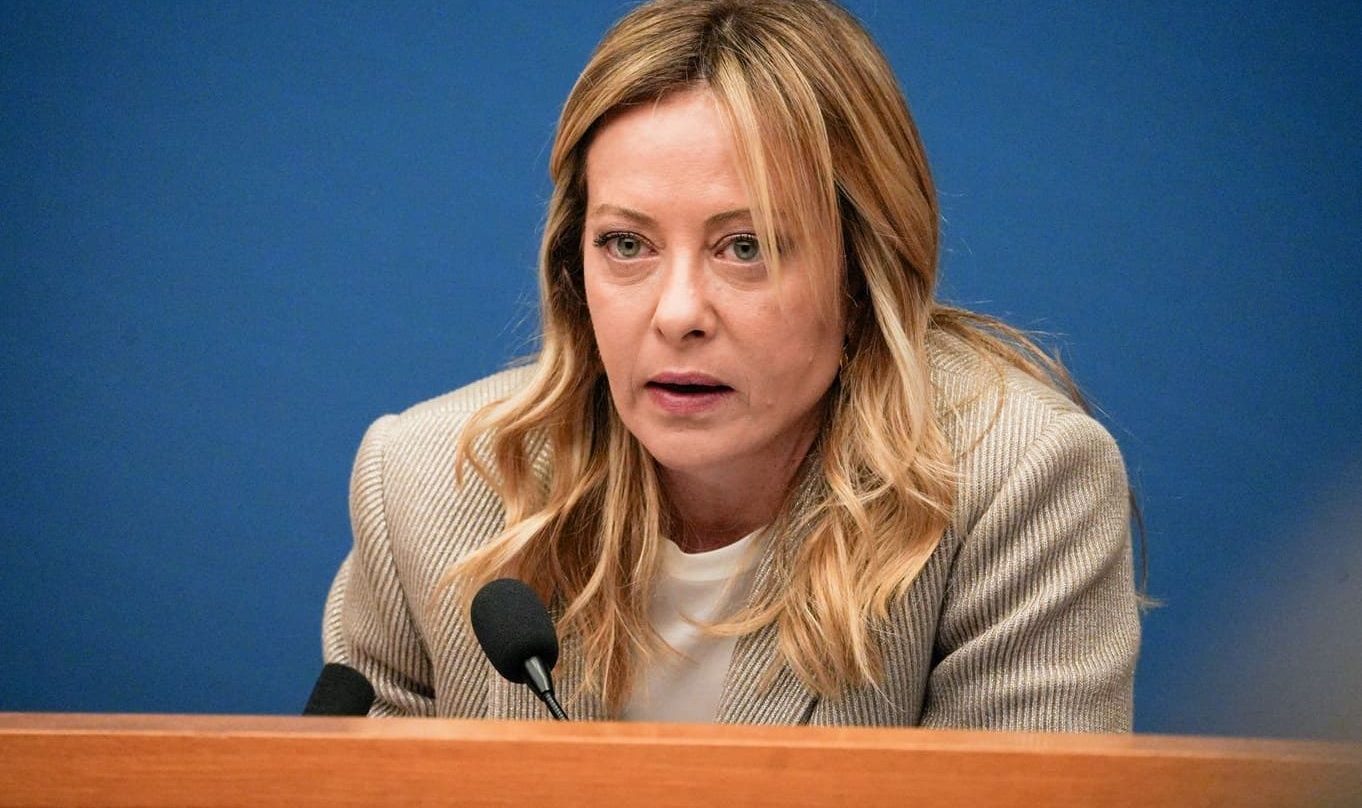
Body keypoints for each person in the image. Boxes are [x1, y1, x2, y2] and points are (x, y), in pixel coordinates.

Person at [321, 0, 1140, 730]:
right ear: (573, 268)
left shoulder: (1017, 486)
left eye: (745, 247)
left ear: (863, 272)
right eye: (627, 244)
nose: (678, 313)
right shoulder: (428, 484)